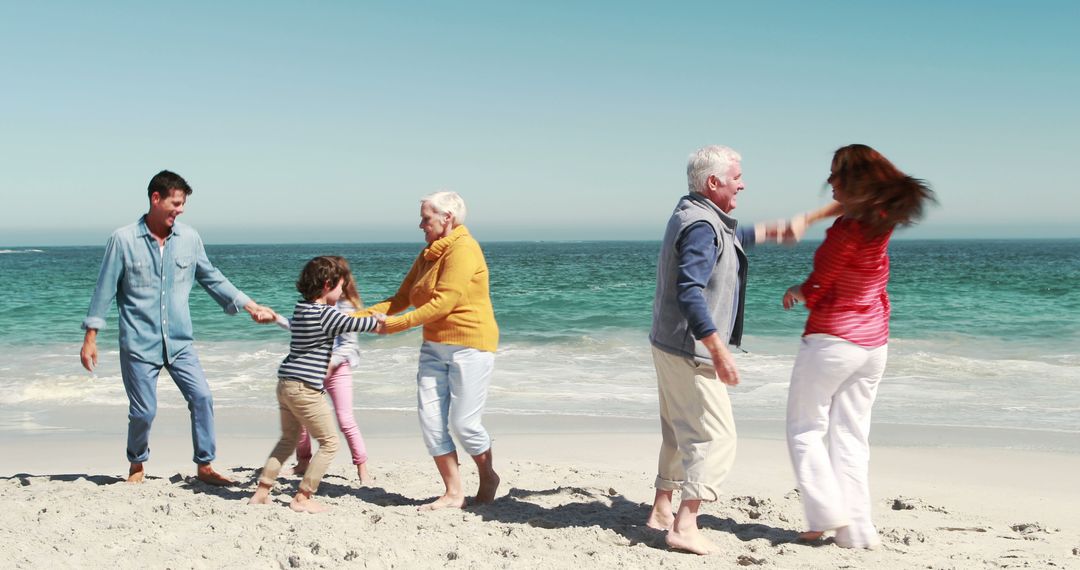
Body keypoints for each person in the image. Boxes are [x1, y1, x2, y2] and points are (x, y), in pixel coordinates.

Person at [645, 145, 840, 555]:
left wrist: (772, 231)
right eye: (737, 176)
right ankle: (685, 524)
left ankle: (663, 508)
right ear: (713, 182)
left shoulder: (693, 212)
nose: (743, 182)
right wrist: (716, 347)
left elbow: (728, 235)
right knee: (715, 438)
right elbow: (690, 291)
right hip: (689, 347)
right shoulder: (701, 225)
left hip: (667, 340)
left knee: (678, 431)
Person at [80, 170, 277, 485]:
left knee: (202, 397)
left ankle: (205, 466)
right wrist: (91, 337)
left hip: (180, 342)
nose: (180, 210)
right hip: (139, 344)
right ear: (156, 199)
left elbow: (212, 277)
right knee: (144, 412)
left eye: (183, 204)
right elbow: (103, 290)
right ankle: (137, 464)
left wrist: (249, 305)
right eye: (176, 203)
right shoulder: (123, 240)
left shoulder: (189, 238)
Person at [782, 144, 934, 549]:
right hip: (873, 345)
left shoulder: (847, 232)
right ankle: (858, 531)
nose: (829, 182)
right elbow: (848, 208)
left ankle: (824, 514)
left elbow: (818, 286)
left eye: (836, 175)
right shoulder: (880, 220)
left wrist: (797, 290)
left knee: (804, 430)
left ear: (856, 183)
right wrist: (812, 216)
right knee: (850, 437)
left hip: (834, 340)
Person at [360, 191, 500, 511]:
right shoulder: (429, 254)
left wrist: (394, 326)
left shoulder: (464, 249)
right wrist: (351, 319)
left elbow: (443, 303)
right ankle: (453, 492)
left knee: (464, 424)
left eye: (426, 218)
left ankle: (487, 474)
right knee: (431, 422)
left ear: (446, 217)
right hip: (433, 349)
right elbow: (400, 299)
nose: (420, 224)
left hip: (470, 347)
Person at [249, 256, 384, 513]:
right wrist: (378, 318)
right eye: (340, 287)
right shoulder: (328, 315)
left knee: (288, 439)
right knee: (330, 442)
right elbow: (358, 323)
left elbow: (345, 324)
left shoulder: (301, 310)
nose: (343, 292)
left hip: (285, 383)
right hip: (304, 388)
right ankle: (303, 496)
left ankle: (262, 492)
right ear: (326, 285)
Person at [279, 256, 374, 484]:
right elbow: (299, 326)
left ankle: (362, 468)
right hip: (314, 370)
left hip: (337, 370)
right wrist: (276, 319)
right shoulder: (315, 305)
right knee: (301, 418)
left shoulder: (348, 307)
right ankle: (303, 462)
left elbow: (349, 345)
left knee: (344, 419)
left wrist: (331, 363)